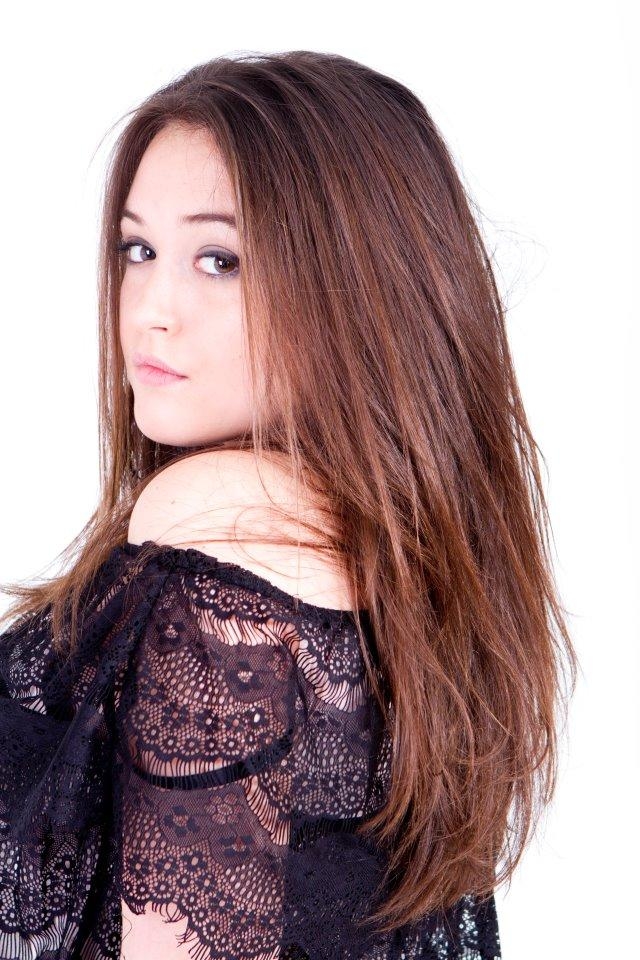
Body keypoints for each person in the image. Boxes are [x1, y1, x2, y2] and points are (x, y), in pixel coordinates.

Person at [0, 50, 577, 960]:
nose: (151, 307)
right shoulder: (404, 568)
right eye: (139, 250)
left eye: (219, 260)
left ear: (359, 287)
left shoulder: (219, 531)